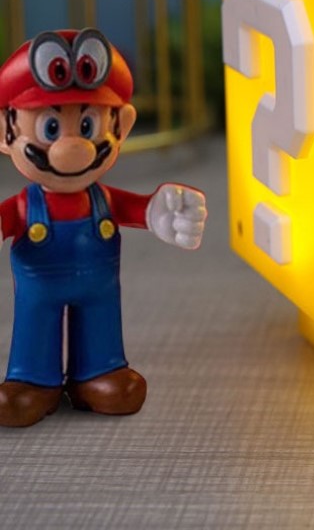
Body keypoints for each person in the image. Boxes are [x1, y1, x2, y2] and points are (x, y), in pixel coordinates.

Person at [0, 28, 207, 427]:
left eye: (88, 125)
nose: (73, 147)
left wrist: (157, 212)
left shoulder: (104, 200)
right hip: (39, 289)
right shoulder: (27, 206)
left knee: (101, 323)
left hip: (99, 290)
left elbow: (137, 209)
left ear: (121, 126)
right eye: (50, 128)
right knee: (35, 324)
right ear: (4, 132)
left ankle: (99, 371)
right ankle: (32, 380)